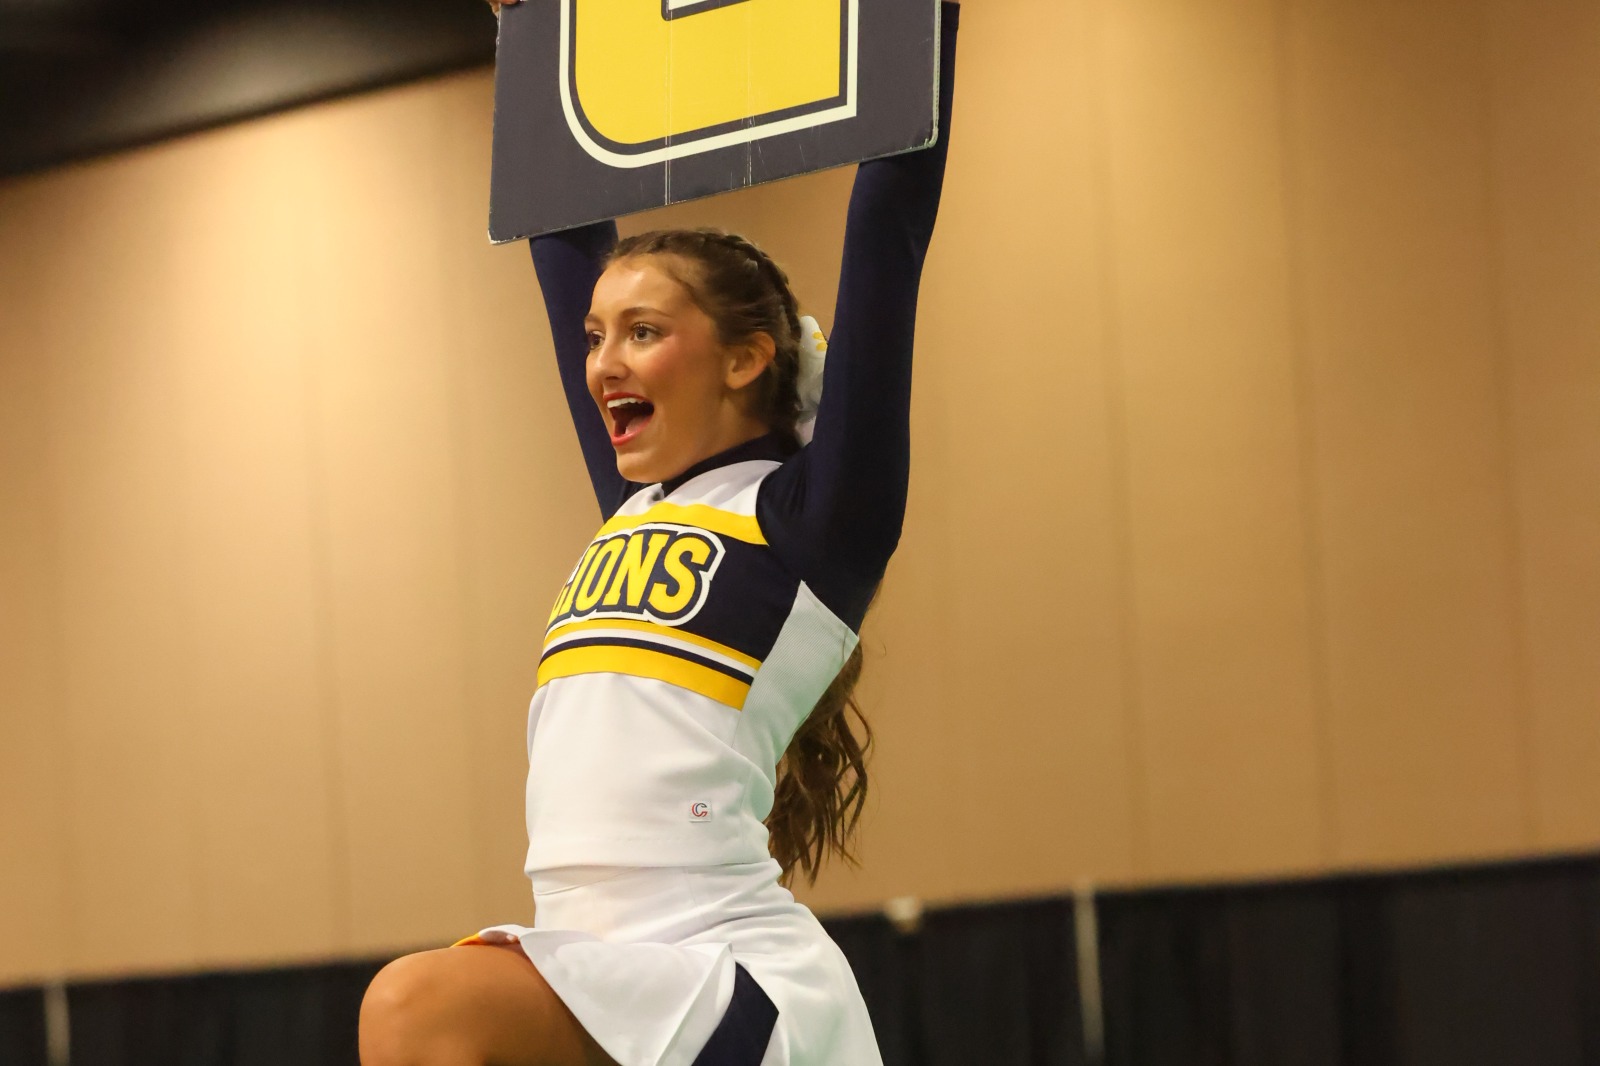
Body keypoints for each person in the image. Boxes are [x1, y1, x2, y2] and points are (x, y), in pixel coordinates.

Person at [359, 4, 958, 1063]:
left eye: (643, 332)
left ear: (745, 358)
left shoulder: (815, 517)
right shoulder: (633, 506)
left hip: (714, 966)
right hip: (595, 966)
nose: (602, 362)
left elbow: (889, 220)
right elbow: (562, 231)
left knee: (414, 1007)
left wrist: (923, 16)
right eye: (595, 336)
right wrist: (540, 38)